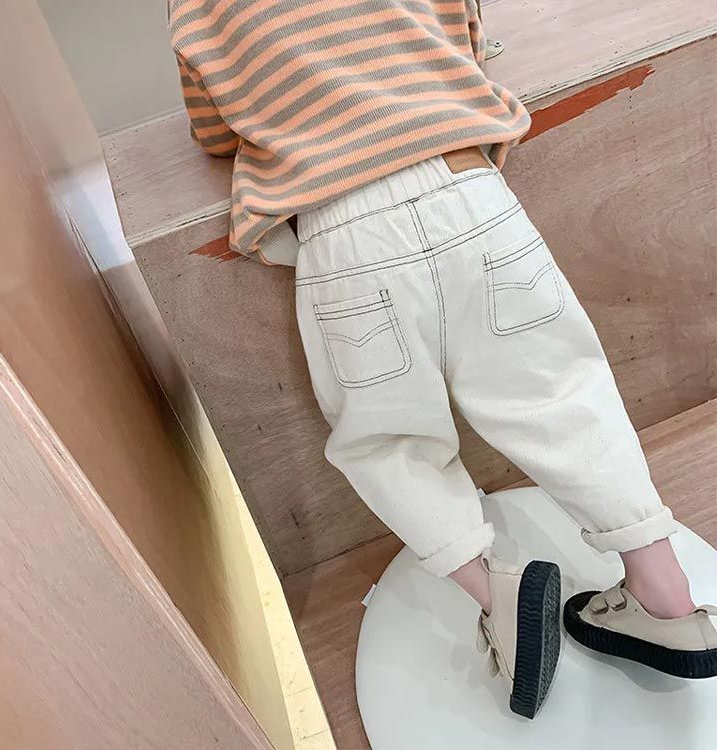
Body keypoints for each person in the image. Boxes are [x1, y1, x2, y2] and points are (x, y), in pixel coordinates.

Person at [168, 0, 717, 718]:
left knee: (390, 443)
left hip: (341, 233)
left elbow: (216, 130)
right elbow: (467, 37)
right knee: (560, 392)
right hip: (469, 194)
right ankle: (664, 591)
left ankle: (497, 595)